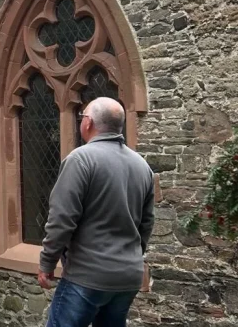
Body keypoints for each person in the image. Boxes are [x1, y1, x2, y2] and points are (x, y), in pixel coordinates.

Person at [39, 97, 155, 327]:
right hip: (128, 277)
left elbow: (62, 218)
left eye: (82, 117)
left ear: (88, 122)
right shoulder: (142, 166)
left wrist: (47, 262)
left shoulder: (80, 159)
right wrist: (129, 256)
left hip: (87, 276)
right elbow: (146, 223)